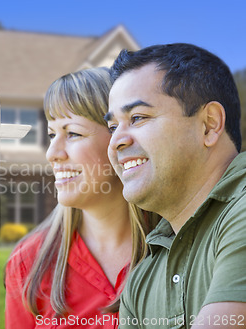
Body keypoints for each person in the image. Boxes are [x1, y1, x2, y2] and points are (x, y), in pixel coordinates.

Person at [105, 43, 246, 329]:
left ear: (208, 125)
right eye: (112, 127)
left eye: (138, 118)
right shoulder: (142, 280)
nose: (115, 142)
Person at [5, 67, 159, 329]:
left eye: (72, 133)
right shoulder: (27, 263)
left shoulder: (181, 246)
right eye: (53, 134)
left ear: (120, 140)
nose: (52, 153)